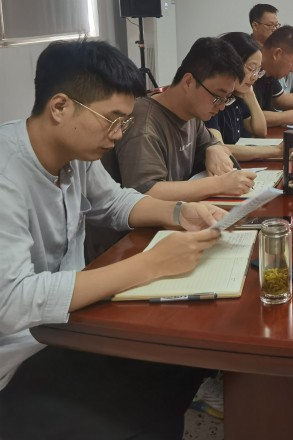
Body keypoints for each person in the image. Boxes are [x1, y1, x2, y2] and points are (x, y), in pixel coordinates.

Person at [0, 40, 226, 440]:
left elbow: (114, 202)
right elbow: (12, 301)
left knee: (178, 364)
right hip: (19, 358)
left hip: (68, 327)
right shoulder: (7, 174)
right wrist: (151, 264)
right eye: (112, 120)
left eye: (125, 121)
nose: (119, 134)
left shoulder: (76, 154)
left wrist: (179, 213)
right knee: (144, 397)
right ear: (60, 107)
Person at [111, 36, 257, 201]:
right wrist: (219, 185)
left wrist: (213, 148)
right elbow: (145, 193)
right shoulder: (144, 126)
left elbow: (209, 142)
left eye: (227, 98)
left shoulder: (191, 113)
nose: (222, 106)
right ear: (188, 82)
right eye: (217, 97)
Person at [206, 32, 283, 161]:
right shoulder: (211, 100)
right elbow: (219, 149)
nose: (254, 77)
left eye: (258, 70)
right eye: (251, 69)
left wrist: (250, 95)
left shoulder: (237, 95)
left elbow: (260, 131)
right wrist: (276, 151)